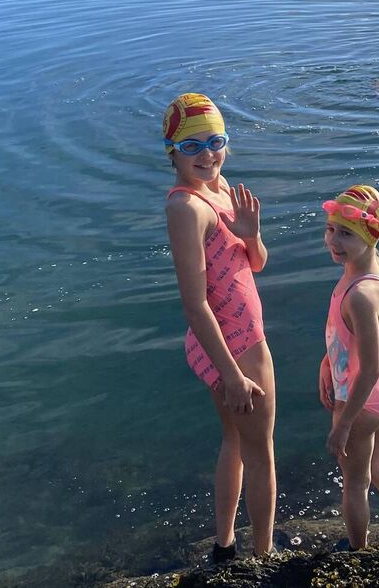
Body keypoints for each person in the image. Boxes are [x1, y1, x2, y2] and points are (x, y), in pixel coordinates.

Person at [162, 92, 277, 561]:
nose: (207, 155)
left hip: (228, 342)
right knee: (262, 453)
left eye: (216, 141)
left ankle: (226, 544)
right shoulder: (185, 208)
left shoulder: (223, 186)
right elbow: (194, 304)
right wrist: (231, 373)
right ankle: (265, 559)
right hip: (235, 346)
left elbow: (257, 264)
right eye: (192, 147)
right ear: (171, 151)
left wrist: (251, 234)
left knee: (235, 440)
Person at [318, 185, 379, 549]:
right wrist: (327, 361)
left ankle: (359, 554)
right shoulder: (373, 267)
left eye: (347, 234)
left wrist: (343, 425)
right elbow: (350, 340)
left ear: (371, 236)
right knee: (378, 464)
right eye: (331, 229)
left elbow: (368, 369)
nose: (334, 241)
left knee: (355, 484)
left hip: (363, 393)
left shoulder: (360, 295)